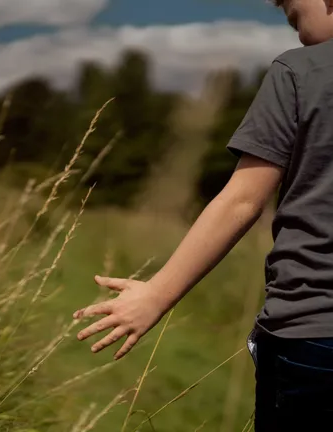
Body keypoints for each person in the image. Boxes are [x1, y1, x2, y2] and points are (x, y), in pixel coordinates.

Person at [73, 0, 333, 430]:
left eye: (293, 14)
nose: (297, 31)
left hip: (314, 333)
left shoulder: (301, 71)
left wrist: (157, 295)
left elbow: (243, 200)